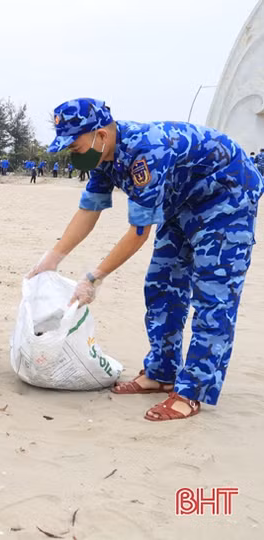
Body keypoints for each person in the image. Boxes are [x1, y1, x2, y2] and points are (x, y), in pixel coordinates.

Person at [28, 97, 262, 422]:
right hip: (181, 202)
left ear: (101, 135)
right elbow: (89, 210)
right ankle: (162, 373)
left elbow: (139, 232)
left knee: (214, 295)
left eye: (76, 147)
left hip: (226, 197)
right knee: (161, 284)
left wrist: (94, 277)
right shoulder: (104, 160)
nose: (73, 155)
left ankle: (192, 390)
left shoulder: (145, 151)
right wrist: (52, 257)